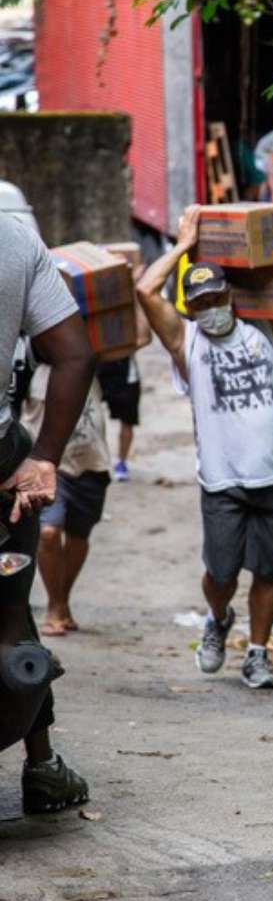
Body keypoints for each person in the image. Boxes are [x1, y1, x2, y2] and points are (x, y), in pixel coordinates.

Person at [137, 207, 273, 690]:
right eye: (200, 299)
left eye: (215, 295)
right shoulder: (187, 343)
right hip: (223, 481)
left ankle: (257, 653)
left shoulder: (265, 329)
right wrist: (183, 246)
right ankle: (217, 618)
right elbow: (146, 290)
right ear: (190, 305)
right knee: (221, 572)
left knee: (270, 573)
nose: (209, 305)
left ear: (230, 295)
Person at [0, 213, 94, 813]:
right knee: (8, 610)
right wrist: (44, 458)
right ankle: (42, 765)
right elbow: (75, 354)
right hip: (0, 460)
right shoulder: (11, 238)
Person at [22, 359, 111, 635]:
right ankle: (54, 605)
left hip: (91, 461)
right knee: (48, 532)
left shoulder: (93, 358)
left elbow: (138, 337)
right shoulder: (26, 360)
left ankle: (62, 600)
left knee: (78, 536)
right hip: (46, 464)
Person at [96, 354, 141, 480]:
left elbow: (144, 338)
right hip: (97, 367)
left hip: (126, 370)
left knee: (128, 419)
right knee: (90, 414)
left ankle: (122, 462)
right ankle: (95, 460)